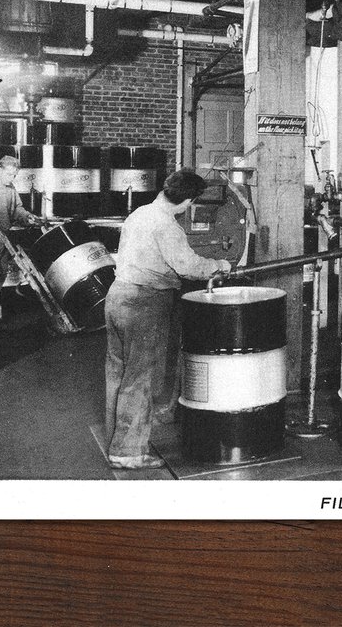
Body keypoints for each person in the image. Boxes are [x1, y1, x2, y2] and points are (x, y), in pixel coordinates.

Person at [104, 169, 233, 470]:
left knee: (117, 372)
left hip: (117, 295)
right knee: (140, 376)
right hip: (144, 302)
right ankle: (128, 452)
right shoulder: (167, 225)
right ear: (187, 201)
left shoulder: (139, 214)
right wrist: (220, 264)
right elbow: (188, 266)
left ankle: (116, 443)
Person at [0, 154, 43, 324]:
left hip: (3, 239)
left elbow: (17, 209)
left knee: (1, 274)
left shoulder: (11, 189)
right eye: (9, 174)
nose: (12, 178)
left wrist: (27, 217)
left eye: (14, 175)